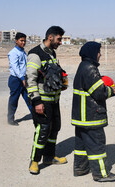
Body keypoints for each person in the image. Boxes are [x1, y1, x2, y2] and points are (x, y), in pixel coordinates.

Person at [71, 42, 115, 182]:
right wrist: (112, 90)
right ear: (92, 53)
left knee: (81, 144)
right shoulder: (90, 68)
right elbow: (99, 93)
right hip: (91, 115)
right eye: (98, 51)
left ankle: (80, 168)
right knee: (97, 144)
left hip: (81, 116)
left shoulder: (82, 67)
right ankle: (101, 174)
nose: (100, 54)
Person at [26, 26, 67, 174]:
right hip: (42, 101)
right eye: (59, 39)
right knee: (43, 131)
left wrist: (61, 82)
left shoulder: (52, 54)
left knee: (54, 129)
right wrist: (36, 101)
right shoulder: (35, 54)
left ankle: (49, 157)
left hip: (54, 100)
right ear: (50, 37)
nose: (60, 42)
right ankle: (34, 161)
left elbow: (50, 74)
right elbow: (30, 80)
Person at [7, 32, 31, 126]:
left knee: (29, 97)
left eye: (24, 40)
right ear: (16, 41)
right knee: (14, 100)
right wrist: (22, 78)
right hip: (16, 80)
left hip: (24, 78)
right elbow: (15, 67)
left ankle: (35, 115)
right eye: (21, 40)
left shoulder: (23, 52)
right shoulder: (13, 53)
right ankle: (10, 119)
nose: (23, 42)